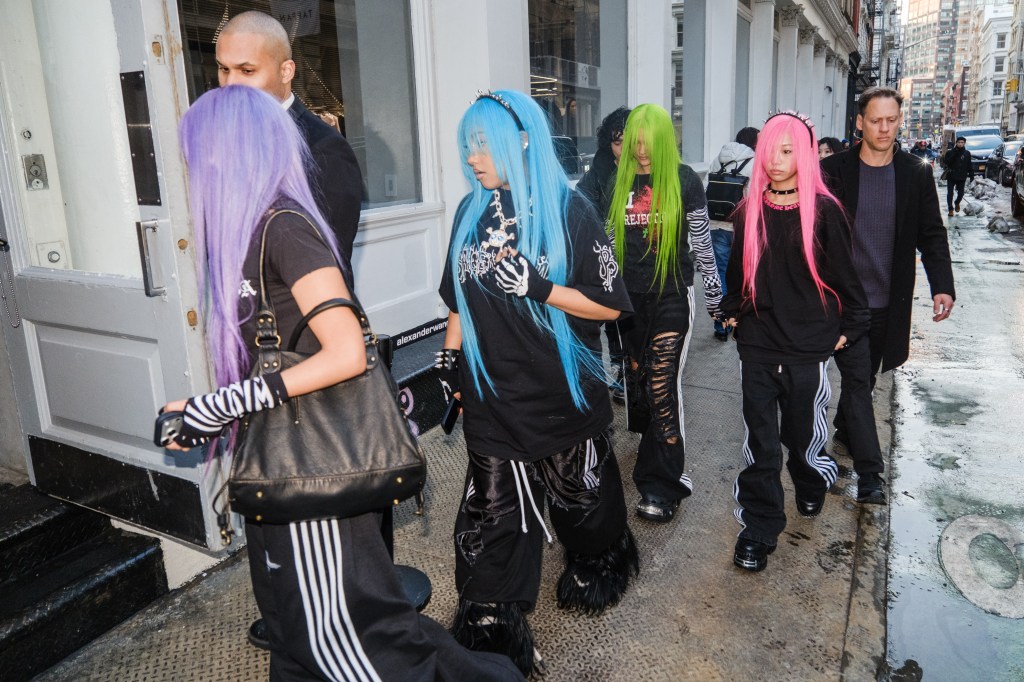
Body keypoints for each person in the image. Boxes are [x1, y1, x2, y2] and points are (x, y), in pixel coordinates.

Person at [160, 85, 523, 682]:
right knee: (298, 640)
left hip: (316, 470)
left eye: (199, 154)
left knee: (357, 648)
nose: (193, 170)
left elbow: (347, 351)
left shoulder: (284, 227)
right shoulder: (248, 235)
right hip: (283, 468)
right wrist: (219, 412)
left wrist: (220, 404)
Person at [438, 90, 637, 676]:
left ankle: (599, 561)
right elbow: (457, 300)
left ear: (522, 141)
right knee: (489, 520)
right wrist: (449, 359)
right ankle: (492, 622)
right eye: (468, 145)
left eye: (483, 144)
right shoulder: (468, 213)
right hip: (491, 402)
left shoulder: (569, 211)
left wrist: (542, 288)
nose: (472, 157)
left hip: (560, 399)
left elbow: (610, 305)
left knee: (584, 504)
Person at [720, 111, 869, 572]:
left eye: (787, 150)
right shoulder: (748, 211)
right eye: (771, 149)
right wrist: (731, 309)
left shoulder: (825, 211)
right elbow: (738, 277)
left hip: (808, 347)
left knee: (802, 437)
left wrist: (850, 327)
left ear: (803, 154)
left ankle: (810, 478)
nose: (777, 159)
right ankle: (759, 526)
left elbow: (847, 280)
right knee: (761, 443)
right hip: (758, 345)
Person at [821, 86, 955, 504]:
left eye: (891, 120)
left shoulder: (915, 173)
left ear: (899, 121)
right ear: (860, 123)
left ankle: (846, 430)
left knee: (864, 379)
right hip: (844, 303)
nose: (884, 128)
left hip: (887, 301)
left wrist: (942, 285)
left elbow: (931, 233)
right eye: (875, 120)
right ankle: (871, 475)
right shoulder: (834, 171)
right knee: (858, 380)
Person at [605, 104, 723, 523]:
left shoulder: (684, 179)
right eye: (634, 143)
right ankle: (654, 458)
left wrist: (716, 298)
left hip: (672, 294)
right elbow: (606, 243)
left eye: (648, 143)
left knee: (661, 383)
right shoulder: (618, 182)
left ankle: (663, 483)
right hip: (629, 301)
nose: (641, 151)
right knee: (641, 381)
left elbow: (702, 242)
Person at [216, 11, 363, 265]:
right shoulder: (221, 139)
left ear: (285, 71)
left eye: (247, 70)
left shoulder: (324, 148)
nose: (230, 83)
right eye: (223, 68)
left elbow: (330, 265)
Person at [577, 106, 631, 400]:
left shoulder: (651, 170)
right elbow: (581, 208)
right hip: (609, 259)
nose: (624, 149)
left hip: (645, 260)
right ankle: (621, 369)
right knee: (616, 320)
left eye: (629, 141)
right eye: (617, 142)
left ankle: (635, 369)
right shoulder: (599, 171)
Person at [708, 126, 759, 341]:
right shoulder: (754, 162)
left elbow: (707, 188)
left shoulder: (718, 160)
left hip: (716, 224)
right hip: (741, 227)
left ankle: (721, 326)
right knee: (742, 274)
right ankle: (738, 318)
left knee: (720, 274)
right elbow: (756, 198)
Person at [942, 136, 974, 217]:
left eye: (962, 142)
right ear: (956, 143)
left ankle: (957, 202)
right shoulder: (950, 152)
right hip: (951, 175)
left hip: (962, 176)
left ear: (964, 143)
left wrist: (971, 175)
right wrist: (954, 154)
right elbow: (946, 162)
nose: (960, 144)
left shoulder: (967, 153)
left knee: (961, 194)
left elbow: (969, 164)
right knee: (950, 193)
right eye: (959, 142)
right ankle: (950, 209)